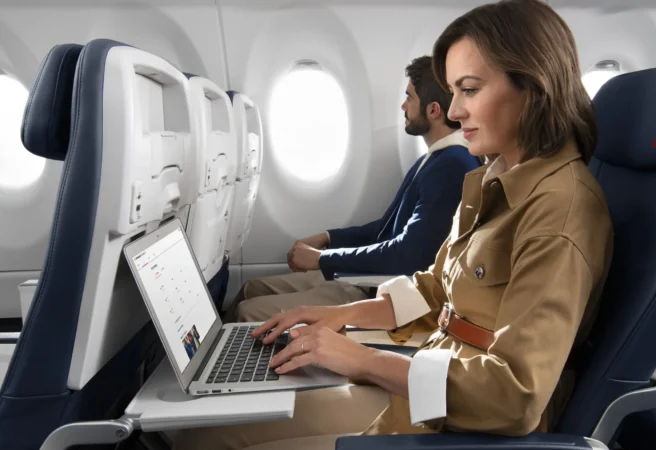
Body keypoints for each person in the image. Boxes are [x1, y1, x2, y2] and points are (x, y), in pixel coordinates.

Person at [173, 1, 613, 448]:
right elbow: (433, 289)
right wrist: (336, 318)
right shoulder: (492, 181)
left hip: (470, 423)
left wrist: (361, 360)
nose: (455, 111)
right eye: (453, 92)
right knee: (208, 428)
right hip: (431, 376)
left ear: (532, 85)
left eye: (470, 89)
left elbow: (514, 396)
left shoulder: (559, 212)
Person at [227, 56, 481, 323]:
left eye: (410, 98)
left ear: (433, 111)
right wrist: (328, 238)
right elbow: (384, 229)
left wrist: (322, 260)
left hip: (378, 292)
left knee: (248, 312)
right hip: (366, 279)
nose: (403, 106)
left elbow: (408, 255)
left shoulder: (453, 165)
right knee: (249, 289)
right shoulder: (434, 159)